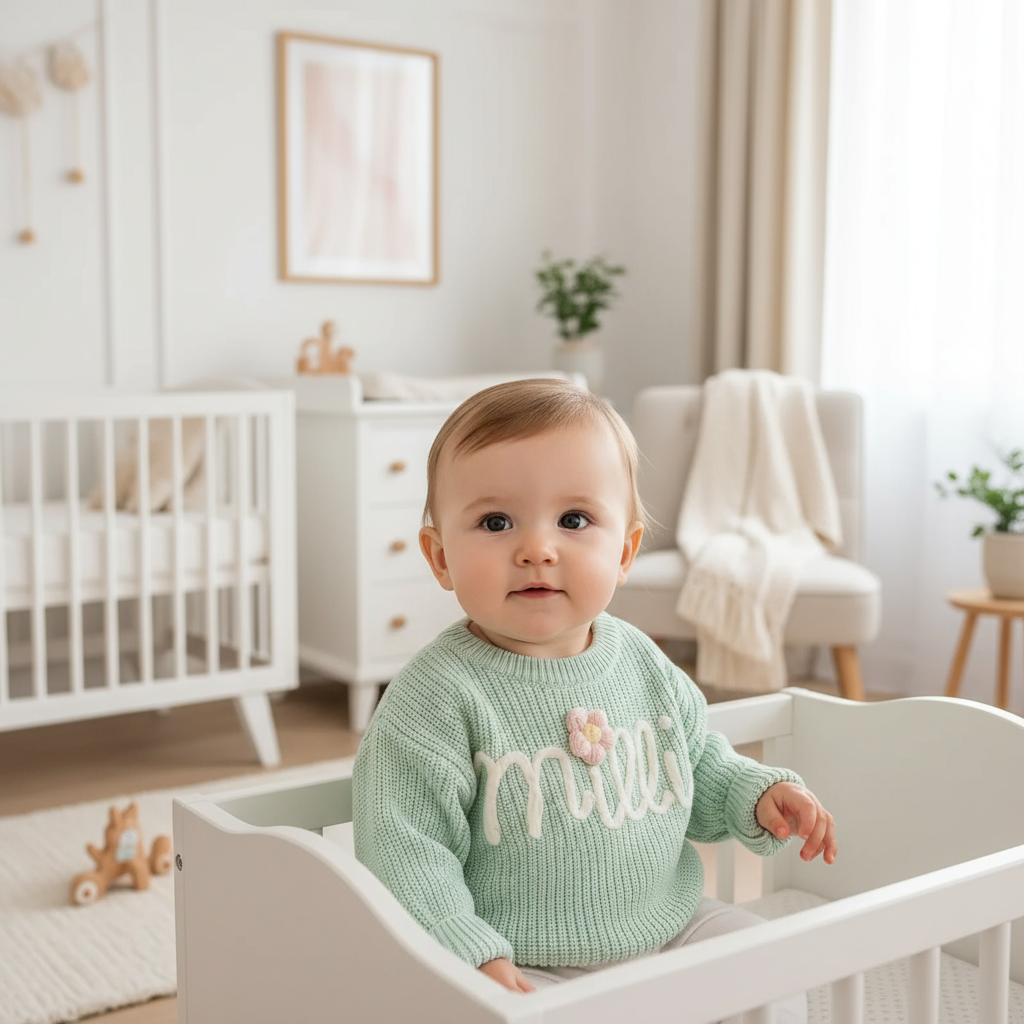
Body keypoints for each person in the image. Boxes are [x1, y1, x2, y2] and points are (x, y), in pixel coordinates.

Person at [351, 378, 836, 1005]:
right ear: (439, 557)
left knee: (774, 968)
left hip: (670, 929)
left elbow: (694, 764)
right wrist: (468, 951)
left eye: (574, 520)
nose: (537, 549)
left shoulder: (640, 660)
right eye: (496, 521)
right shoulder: (434, 698)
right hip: (522, 960)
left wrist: (755, 793)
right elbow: (404, 850)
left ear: (626, 550)